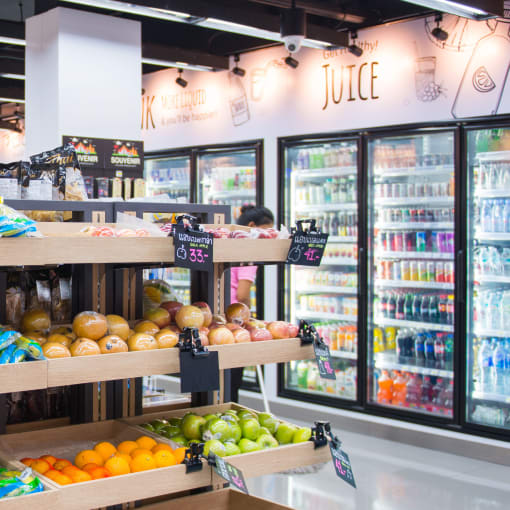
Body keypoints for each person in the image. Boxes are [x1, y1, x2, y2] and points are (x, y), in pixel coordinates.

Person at [230, 205, 274, 402]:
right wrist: (250, 313)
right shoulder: (249, 253)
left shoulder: (228, 244)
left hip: (217, 316)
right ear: (252, 226)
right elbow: (242, 293)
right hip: (236, 320)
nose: (270, 236)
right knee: (233, 376)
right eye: (268, 230)